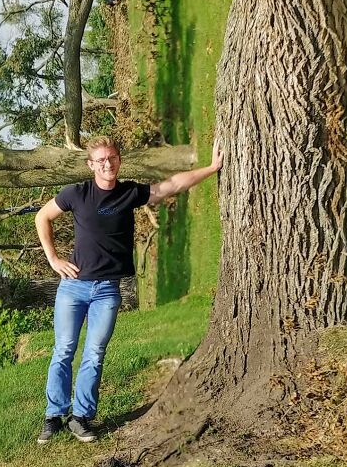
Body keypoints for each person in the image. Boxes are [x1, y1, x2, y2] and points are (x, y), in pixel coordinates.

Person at [34, 135, 224, 443]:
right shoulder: (76, 194)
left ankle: (80, 417)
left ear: (118, 160)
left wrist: (212, 167)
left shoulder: (129, 193)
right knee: (64, 350)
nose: (107, 164)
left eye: (112, 158)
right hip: (72, 289)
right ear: (91, 165)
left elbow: (171, 185)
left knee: (94, 353)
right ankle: (53, 415)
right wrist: (53, 257)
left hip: (107, 291)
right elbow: (43, 216)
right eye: (101, 160)